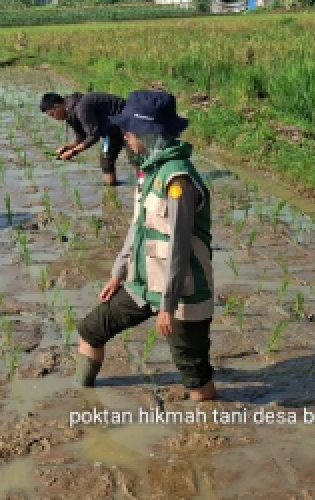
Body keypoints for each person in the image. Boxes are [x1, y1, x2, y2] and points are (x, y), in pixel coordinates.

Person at [74, 91, 217, 401]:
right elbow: (137, 228)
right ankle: (82, 400)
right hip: (142, 283)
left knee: (193, 374)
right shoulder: (148, 172)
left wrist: (167, 306)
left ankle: (210, 427)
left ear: (147, 133)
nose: (125, 135)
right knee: (91, 329)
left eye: (129, 131)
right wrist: (118, 272)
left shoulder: (178, 182)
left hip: (182, 294)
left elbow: (179, 248)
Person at [40, 91, 126, 186]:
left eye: (52, 114)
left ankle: (142, 189)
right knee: (106, 160)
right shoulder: (70, 115)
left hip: (128, 122)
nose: (54, 118)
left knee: (136, 158)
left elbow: (94, 136)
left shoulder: (82, 107)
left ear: (57, 106)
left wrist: (73, 152)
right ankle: (111, 189)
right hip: (112, 129)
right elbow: (82, 138)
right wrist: (67, 148)